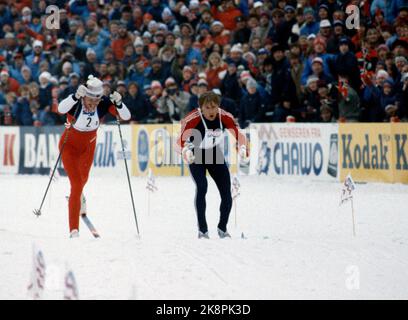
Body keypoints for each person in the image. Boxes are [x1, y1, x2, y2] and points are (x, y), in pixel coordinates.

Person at [57, 75, 131, 238]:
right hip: (69, 147)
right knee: (76, 184)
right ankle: (74, 230)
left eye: (96, 101)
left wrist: (119, 103)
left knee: (82, 181)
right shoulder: (76, 100)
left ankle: (78, 198)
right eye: (90, 100)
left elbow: (126, 116)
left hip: (88, 148)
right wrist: (75, 96)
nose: (93, 105)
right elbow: (60, 109)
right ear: (84, 96)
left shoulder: (103, 103)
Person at [177, 91, 248, 239]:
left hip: (214, 154)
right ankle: (203, 230)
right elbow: (178, 141)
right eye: (207, 107)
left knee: (227, 194)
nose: (211, 111)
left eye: (214, 107)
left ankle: (222, 228)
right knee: (202, 187)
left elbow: (239, 133)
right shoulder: (193, 118)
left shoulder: (224, 116)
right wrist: (185, 151)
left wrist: (242, 148)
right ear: (201, 108)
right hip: (195, 154)